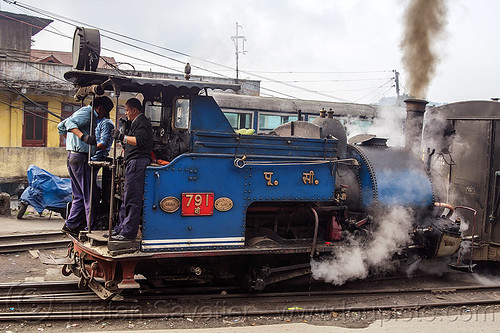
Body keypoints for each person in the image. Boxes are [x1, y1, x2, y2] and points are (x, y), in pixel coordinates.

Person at [57, 96, 114, 236]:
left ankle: (71, 225)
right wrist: (83, 138)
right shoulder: (88, 113)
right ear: (100, 108)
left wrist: (73, 142)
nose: (103, 116)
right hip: (81, 158)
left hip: (73, 156)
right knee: (91, 196)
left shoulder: (81, 113)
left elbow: (61, 127)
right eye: (104, 112)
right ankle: (91, 229)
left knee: (79, 195)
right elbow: (68, 124)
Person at [112, 98, 153, 241]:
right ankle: (121, 228)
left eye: (127, 110)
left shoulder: (142, 122)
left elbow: (139, 141)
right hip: (133, 162)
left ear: (134, 110)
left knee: (132, 198)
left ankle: (128, 232)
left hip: (137, 162)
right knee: (126, 197)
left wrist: (122, 137)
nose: (126, 113)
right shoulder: (136, 122)